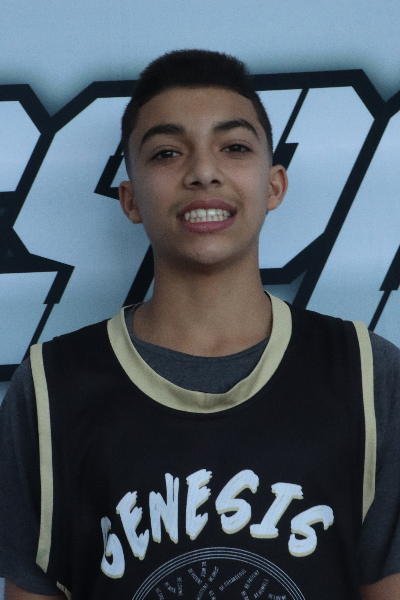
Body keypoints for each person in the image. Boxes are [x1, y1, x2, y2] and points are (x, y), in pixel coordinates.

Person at [1, 49, 400, 600]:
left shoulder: (365, 372)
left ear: (274, 185)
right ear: (129, 199)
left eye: (234, 147)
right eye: (167, 153)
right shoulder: (51, 387)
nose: (203, 172)